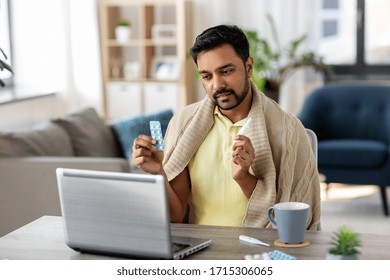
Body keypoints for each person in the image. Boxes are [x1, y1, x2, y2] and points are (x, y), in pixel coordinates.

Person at [132, 24, 321, 230]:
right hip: (198, 249)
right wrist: (159, 172)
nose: (217, 84)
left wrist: (244, 178)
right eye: (207, 76)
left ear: (248, 67)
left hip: (255, 251)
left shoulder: (288, 131)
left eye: (226, 71)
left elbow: (292, 225)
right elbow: (176, 218)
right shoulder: (184, 125)